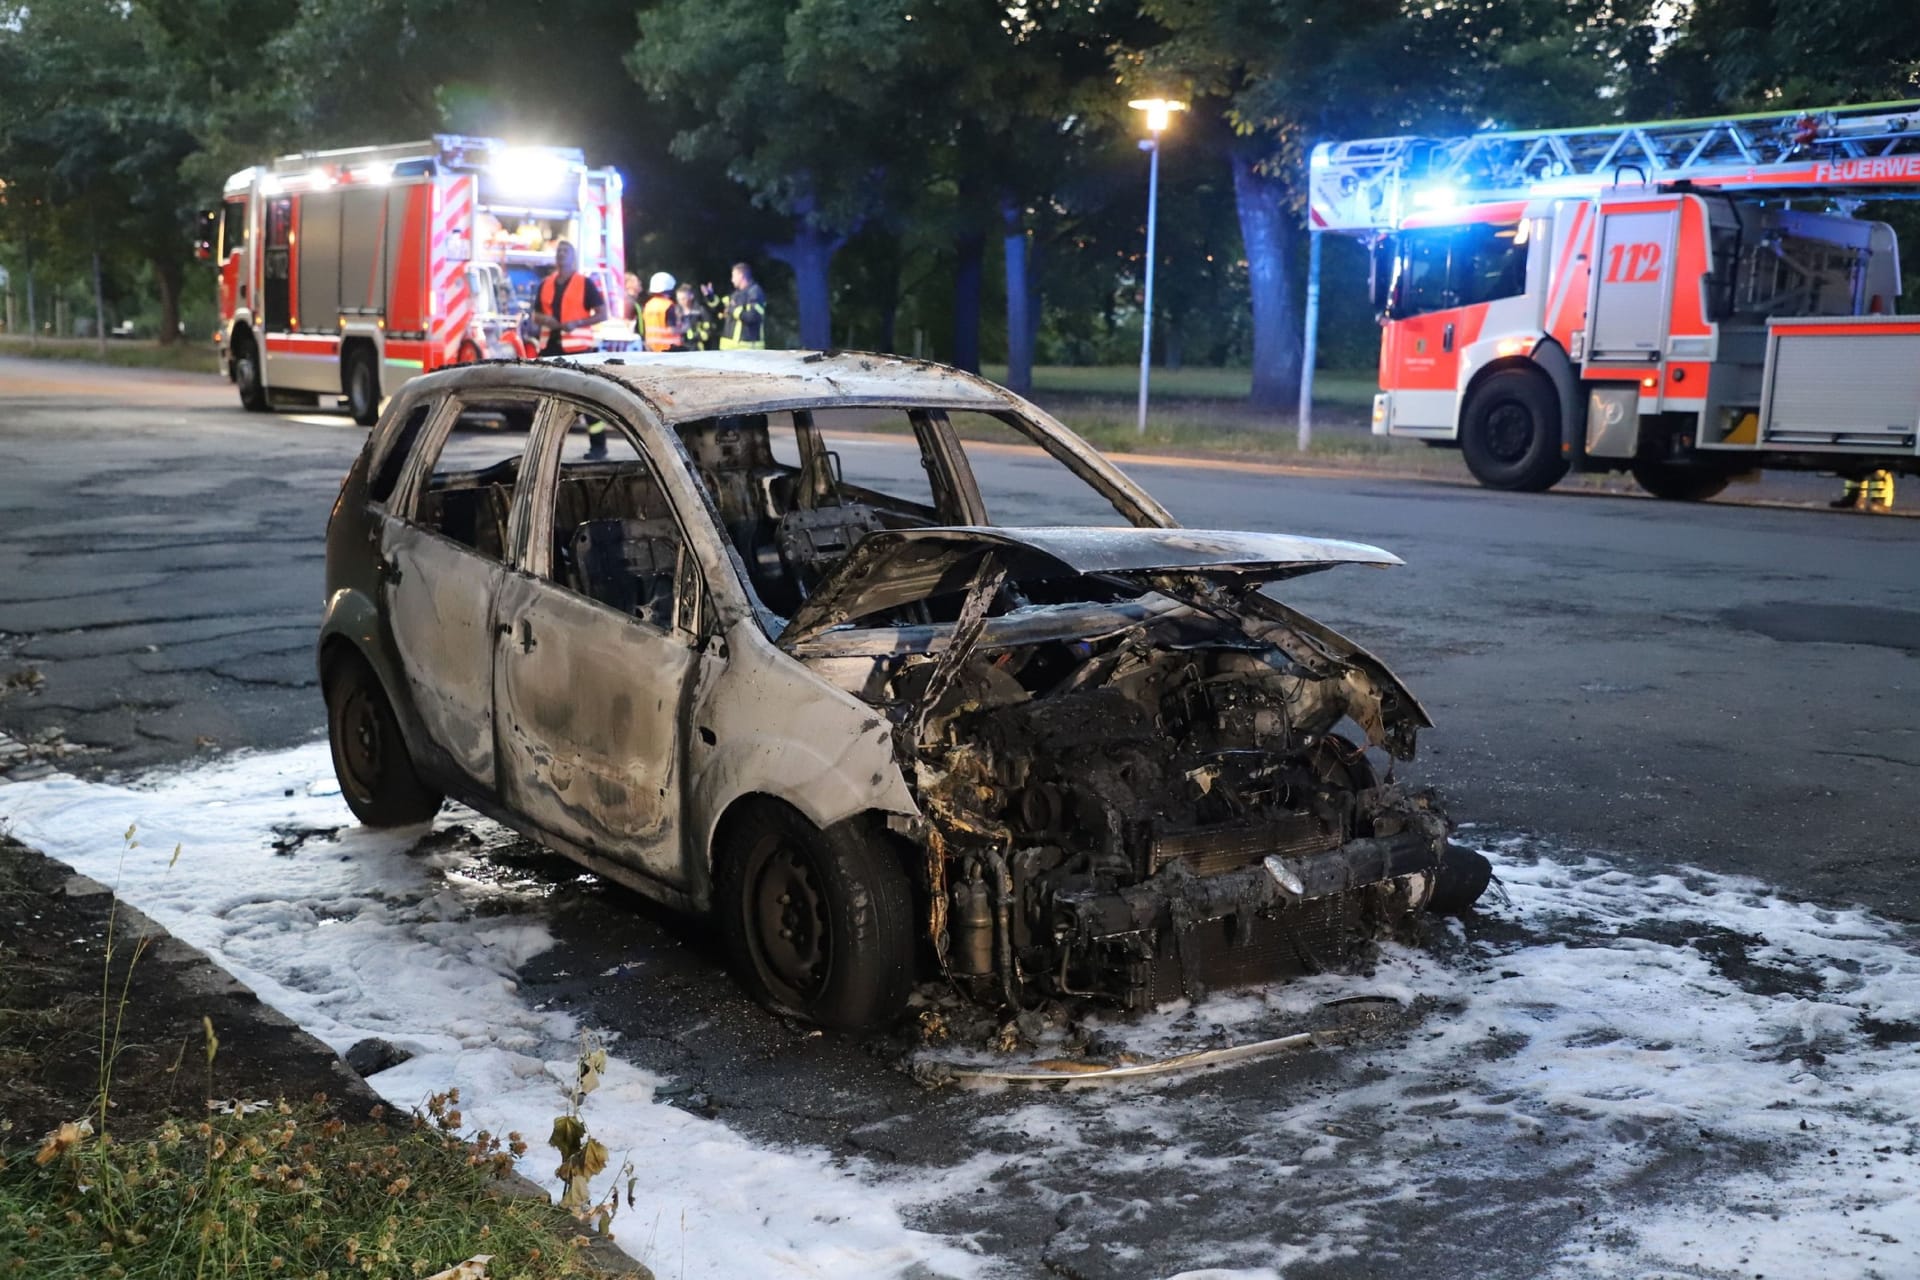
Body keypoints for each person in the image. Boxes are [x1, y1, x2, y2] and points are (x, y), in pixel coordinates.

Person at [529, 241, 608, 358]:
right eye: (559, 251)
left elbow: (602, 314)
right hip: (549, 348)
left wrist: (578, 323)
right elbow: (536, 315)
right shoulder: (545, 283)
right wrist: (545, 319)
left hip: (578, 351)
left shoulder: (585, 283)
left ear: (573, 258)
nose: (561, 253)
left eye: (565, 251)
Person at [703, 261, 767, 350]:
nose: (732, 280)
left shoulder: (755, 292)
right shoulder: (736, 294)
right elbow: (722, 309)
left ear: (741, 276)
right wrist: (710, 297)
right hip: (729, 349)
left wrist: (733, 310)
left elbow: (753, 317)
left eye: (733, 276)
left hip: (748, 350)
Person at [642, 271, 683, 352]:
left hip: (651, 349)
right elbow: (671, 330)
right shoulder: (668, 305)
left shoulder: (648, 305)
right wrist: (684, 328)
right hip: (668, 349)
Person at [675, 282, 715, 350]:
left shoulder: (700, 310)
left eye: (684, 298)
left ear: (691, 296)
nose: (681, 301)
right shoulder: (676, 311)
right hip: (681, 349)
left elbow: (709, 331)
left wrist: (694, 336)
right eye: (679, 299)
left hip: (699, 349)